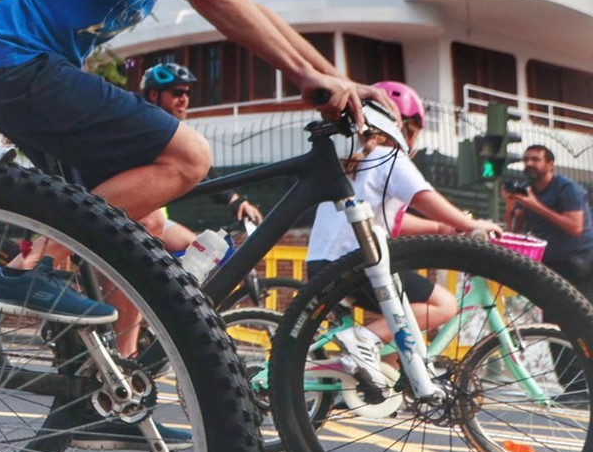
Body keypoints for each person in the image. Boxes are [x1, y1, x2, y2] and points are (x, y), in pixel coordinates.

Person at [0, 0, 375, 449]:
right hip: (15, 67)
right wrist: (304, 79)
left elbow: (243, 3)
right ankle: (31, 266)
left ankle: (107, 393)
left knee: (145, 227)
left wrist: (335, 77)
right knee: (186, 157)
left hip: (25, 73)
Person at [301, 81, 501, 413]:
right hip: (357, 263)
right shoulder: (388, 156)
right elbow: (424, 197)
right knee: (443, 304)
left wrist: (441, 228)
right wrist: (470, 225)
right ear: (404, 126)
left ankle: (377, 384)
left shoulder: (355, 162)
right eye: (416, 131)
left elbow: (388, 220)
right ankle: (362, 341)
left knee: (399, 315)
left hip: (325, 264)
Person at [134, 61, 261, 254]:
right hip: (135, 218)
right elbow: (197, 169)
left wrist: (234, 199)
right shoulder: (147, 128)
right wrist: (232, 200)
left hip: (155, 219)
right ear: (153, 94)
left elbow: (202, 170)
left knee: (202, 252)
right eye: (177, 93)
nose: (184, 99)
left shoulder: (165, 132)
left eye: (187, 93)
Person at [508, 144, 593, 294]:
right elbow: (513, 232)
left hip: (579, 265)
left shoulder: (567, 188)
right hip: (550, 265)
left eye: (536, 159)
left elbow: (575, 227)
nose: (529, 164)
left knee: (580, 313)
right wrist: (510, 206)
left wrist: (535, 206)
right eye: (526, 159)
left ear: (550, 164)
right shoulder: (526, 188)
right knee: (549, 314)